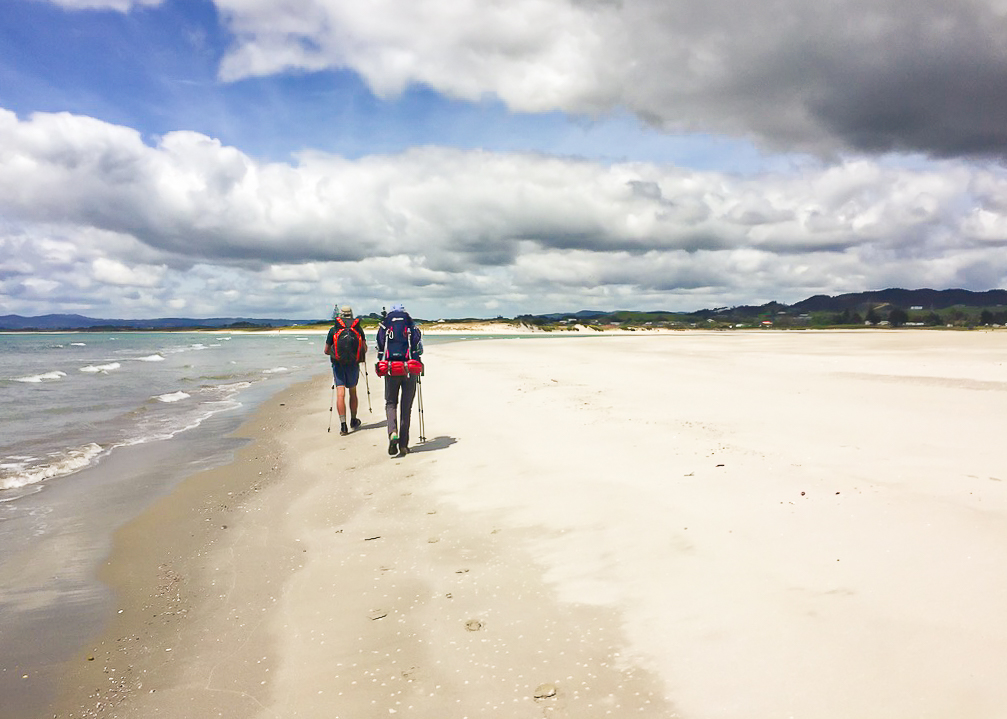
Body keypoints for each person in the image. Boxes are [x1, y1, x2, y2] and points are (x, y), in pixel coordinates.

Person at [376, 303, 423, 457]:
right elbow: (418, 347)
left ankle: (392, 433)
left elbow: (380, 346)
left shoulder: (385, 325)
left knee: (390, 403)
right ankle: (403, 445)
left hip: (391, 368)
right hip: (409, 368)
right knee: (406, 407)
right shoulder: (411, 325)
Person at [324, 305, 367, 436]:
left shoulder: (333, 330)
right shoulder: (358, 329)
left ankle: (343, 426)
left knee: (340, 393)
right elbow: (364, 348)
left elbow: (326, 351)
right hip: (353, 364)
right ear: (351, 314)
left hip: (338, 365)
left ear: (341, 315)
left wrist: (335, 354)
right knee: (353, 392)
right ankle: (353, 420)